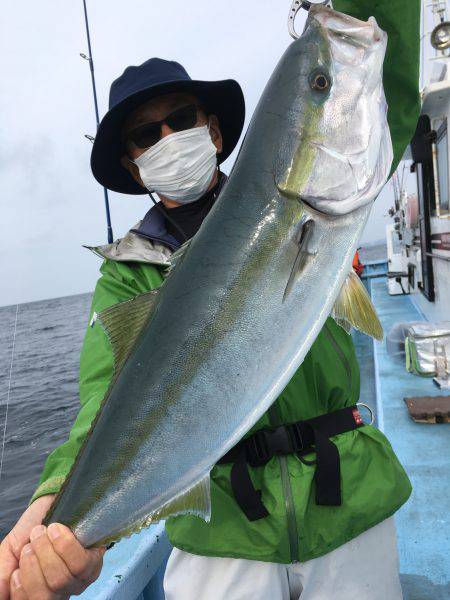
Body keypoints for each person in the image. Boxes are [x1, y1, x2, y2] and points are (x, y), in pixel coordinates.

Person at [0, 2, 420, 598]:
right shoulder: (126, 276)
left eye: (181, 119)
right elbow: (107, 399)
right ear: (135, 164)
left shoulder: (329, 188)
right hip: (221, 530)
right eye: (147, 134)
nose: (168, 138)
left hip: (347, 499)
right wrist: (55, 505)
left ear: (215, 131)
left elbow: (386, 82)